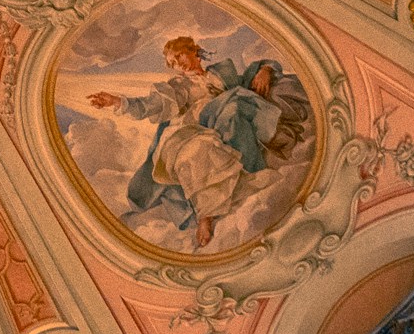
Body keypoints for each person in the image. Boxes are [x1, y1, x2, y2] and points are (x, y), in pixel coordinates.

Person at [90, 35, 307, 250]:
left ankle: (262, 152)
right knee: (199, 148)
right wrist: (117, 101)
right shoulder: (179, 86)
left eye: (179, 55)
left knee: (237, 106)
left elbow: (247, 82)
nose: (178, 64)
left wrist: (265, 70)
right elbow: (150, 104)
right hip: (193, 130)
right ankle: (206, 215)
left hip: (227, 122)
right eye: (172, 63)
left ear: (194, 51)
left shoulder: (221, 74)